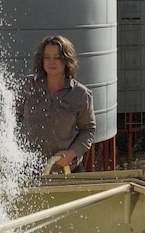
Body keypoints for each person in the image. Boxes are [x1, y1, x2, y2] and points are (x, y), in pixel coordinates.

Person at [16, 35, 96, 172]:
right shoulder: (28, 86)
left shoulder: (80, 94)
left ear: (66, 60)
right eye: (47, 57)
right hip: (28, 170)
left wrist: (72, 153)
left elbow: (88, 129)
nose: (51, 62)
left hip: (65, 170)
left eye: (57, 57)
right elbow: (13, 118)